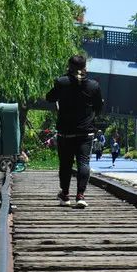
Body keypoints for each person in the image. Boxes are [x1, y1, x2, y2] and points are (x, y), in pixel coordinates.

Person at [46, 54, 103, 208]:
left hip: (65, 132)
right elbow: (99, 107)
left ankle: (65, 196)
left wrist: (66, 77)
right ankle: (81, 195)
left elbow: (49, 97)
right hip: (85, 132)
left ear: (69, 67)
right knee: (83, 163)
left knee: (65, 164)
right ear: (85, 67)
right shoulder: (94, 86)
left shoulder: (62, 82)